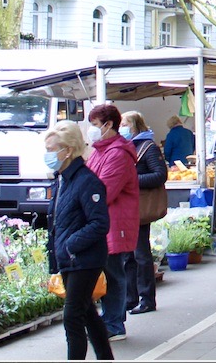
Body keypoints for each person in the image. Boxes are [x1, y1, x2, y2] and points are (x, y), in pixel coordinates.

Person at [43, 121, 114, 361]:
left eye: (52, 149)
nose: (48, 155)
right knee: (87, 313)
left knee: (72, 317)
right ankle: (106, 357)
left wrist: (70, 245)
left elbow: (100, 223)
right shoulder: (62, 179)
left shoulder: (86, 181)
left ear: (68, 150)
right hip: (71, 259)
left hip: (85, 259)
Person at [86, 103, 140, 342]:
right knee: (109, 272)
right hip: (103, 221)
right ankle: (110, 320)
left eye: (95, 125)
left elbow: (103, 191)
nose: (92, 130)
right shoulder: (100, 150)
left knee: (113, 273)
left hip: (113, 221)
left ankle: (114, 324)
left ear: (108, 125)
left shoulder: (117, 153)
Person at [120, 111, 167, 316]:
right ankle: (131, 298)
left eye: (125, 124)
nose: (121, 127)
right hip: (127, 208)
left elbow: (160, 175)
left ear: (134, 126)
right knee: (127, 255)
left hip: (139, 208)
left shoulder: (148, 147)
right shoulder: (128, 147)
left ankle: (147, 298)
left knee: (140, 254)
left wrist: (132, 182)